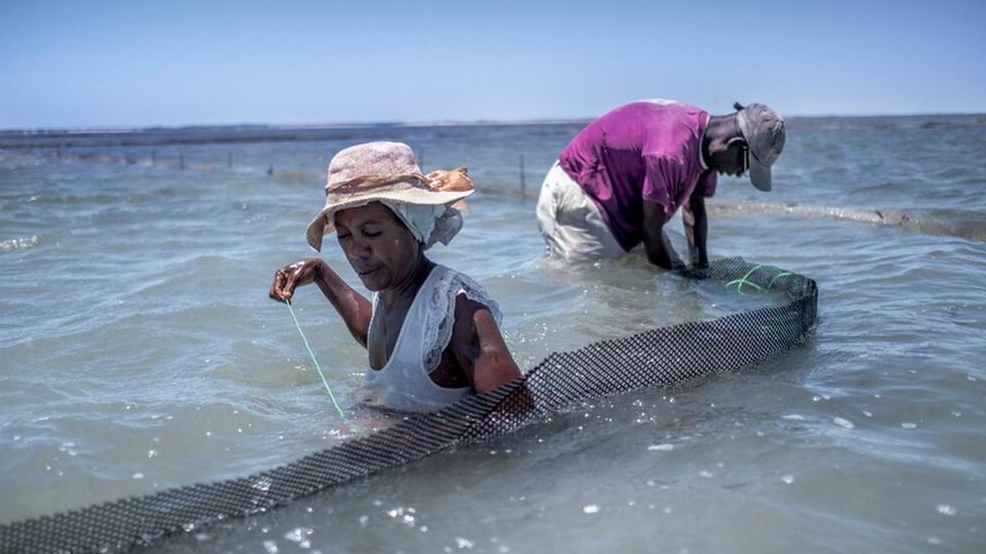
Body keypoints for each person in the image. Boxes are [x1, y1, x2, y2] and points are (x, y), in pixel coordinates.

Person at [269, 141, 522, 413]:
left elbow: (515, 414)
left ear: (414, 226)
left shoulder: (457, 311)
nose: (356, 251)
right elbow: (380, 337)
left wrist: (403, 436)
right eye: (344, 236)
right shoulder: (390, 293)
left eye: (373, 233)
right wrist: (321, 274)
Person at [536, 99, 786, 270]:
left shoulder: (707, 145)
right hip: (580, 193)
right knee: (594, 286)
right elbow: (650, 231)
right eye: (745, 166)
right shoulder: (671, 151)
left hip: (619, 205)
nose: (740, 174)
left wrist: (700, 270)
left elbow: (694, 210)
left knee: (642, 281)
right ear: (734, 146)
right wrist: (677, 291)